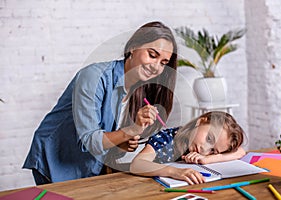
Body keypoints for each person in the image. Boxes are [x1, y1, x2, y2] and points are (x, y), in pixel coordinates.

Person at [23, 21, 178, 185]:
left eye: (163, 63)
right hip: (55, 160)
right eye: (152, 55)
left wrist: (121, 144)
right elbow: (89, 140)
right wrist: (131, 130)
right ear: (133, 47)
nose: (156, 67)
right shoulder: (94, 77)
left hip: (88, 165)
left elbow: (106, 140)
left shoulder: (139, 91)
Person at [130, 111, 246, 185]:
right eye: (209, 139)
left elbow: (240, 152)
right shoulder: (167, 138)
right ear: (200, 121)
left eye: (213, 150)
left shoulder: (204, 154)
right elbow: (137, 164)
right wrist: (175, 172)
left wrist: (208, 159)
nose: (204, 150)